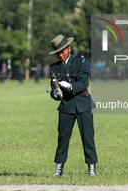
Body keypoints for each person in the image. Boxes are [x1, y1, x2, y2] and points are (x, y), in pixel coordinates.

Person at [49, 34, 98, 177]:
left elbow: (84, 82)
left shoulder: (80, 61)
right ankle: (59, 169)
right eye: (58, 53)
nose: (61, 55)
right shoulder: (54, 67)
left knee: (88, 137)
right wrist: (55, 94)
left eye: (63, 51)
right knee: (63, 138)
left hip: (83, 102)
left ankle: (91, 168)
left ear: (69, 49)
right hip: (66, 105)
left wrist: (70, 85)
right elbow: (52, 88)